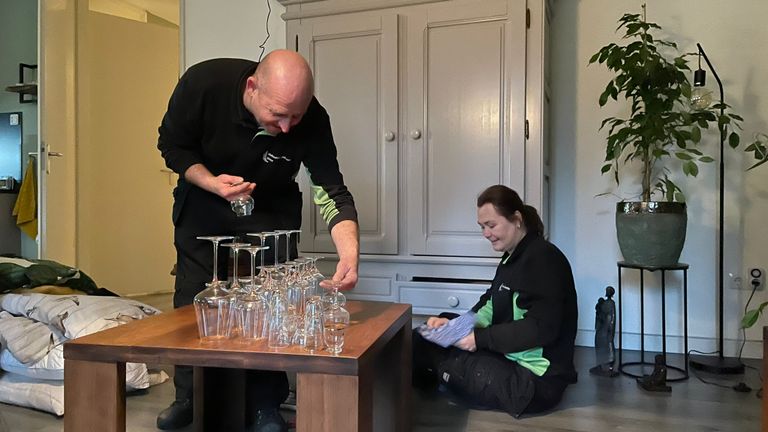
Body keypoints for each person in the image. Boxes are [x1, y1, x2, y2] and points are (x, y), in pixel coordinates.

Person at [156, 50, 359, 431]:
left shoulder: (312, 119)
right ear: (252, 88)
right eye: (279, 114)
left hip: (272, 212)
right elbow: (172, 145)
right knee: (194, 299)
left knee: (272, 304)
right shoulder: (203, 83)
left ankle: (266, 405)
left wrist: (348, 253)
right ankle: (189, 397)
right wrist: (211, 182)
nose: (287, 127)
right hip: (204, 200)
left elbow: (329, 188)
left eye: (295, 116)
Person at [412, 184, 577, 417]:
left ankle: (416, 393)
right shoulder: (512, 257)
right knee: (426, 333)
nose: (486, 234)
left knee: (440, 357)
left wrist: (478, 339)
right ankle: (419, 387)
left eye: (491, 225)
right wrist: (456, 327)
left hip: (533, 382)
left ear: (517, 219)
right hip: (509, 357)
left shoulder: (544, 259)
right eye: (482, 227)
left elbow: (541, 328)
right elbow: (490, 302)